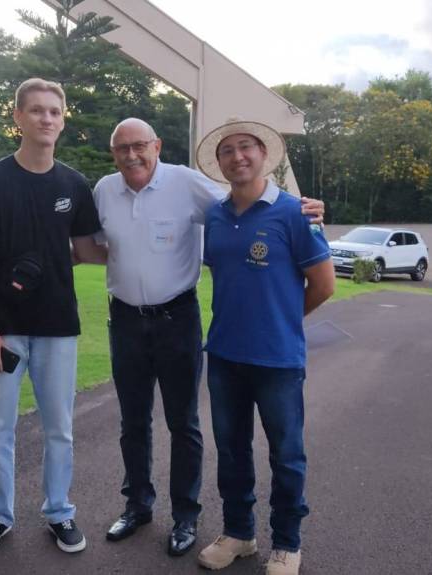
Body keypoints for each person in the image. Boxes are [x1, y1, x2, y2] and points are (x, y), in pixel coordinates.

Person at [79, 118, 324, 558]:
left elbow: (244, 200)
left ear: (157, 145)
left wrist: (307, 209)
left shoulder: (186, 183)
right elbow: (94, 247)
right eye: (122, 149)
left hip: (177, 317)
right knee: (133, 421)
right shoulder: (104, 190)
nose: (132, 155)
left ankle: (186, 516)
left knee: (184, 422)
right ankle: (138, 506)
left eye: (139, 145)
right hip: (126, 319)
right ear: (113, 154)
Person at [0, 78, 102, 557]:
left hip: (58, 326)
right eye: (37, 110)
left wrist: (156, 243)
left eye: (54, 111)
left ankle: (59, 511)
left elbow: (87, 250)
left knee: (59, 428)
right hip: (4, 329)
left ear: (62, 120)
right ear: (18, 117)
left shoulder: (74, 184)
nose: (47, 118)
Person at [194, 119, 335, 575]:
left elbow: (324, 285)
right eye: (228, 150)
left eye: (246, 147)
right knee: (231, 451)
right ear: (219, 162)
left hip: (277, 360)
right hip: (225, 356)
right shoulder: (216, 215)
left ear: (263, 155)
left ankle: (287, 544)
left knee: (286, 456)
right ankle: (239, 534)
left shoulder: (297, 213)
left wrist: (282, 321)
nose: (238, 156)